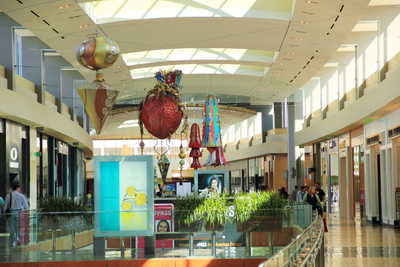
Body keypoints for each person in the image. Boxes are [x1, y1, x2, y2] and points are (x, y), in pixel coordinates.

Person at [4, 183, 29, 247]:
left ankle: (13, 240)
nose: (19, 189)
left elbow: (5, 206)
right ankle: (18, 238)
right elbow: (26, 206)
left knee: (12, 227)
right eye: (19, 188)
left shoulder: (8, 196)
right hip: (20, 212)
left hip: (11, 213)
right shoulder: (21, 196)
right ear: (17, 188)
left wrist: (5, 214)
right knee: (19, 227)